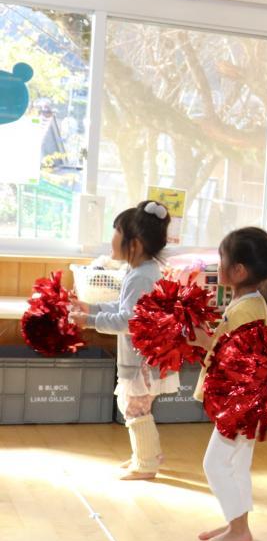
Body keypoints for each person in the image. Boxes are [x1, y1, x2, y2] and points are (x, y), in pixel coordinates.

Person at [195, 227, 267, 541]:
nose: (218, 264)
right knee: (236, 464)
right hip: (248, 401)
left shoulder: (247, 310)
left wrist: (201, 339)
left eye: (222, 258)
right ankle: (237, 524)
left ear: (238, 270)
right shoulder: (249, 304)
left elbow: (231, 356)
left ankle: (238, 528)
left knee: (215, 464)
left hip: (241, 403)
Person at [71, 201, 178, 480]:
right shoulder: (139, 271)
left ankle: (146, 464)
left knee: (134, 407)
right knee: (134, 405)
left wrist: (89, 321)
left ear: (136, 243)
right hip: (145, 357)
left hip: (144, 361)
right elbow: (122, 308)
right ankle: (145, 454)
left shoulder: (141, 276)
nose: (112, 238)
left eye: (117, 231)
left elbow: (127, 321)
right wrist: (91, 308)